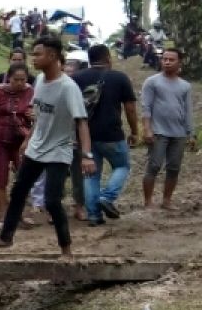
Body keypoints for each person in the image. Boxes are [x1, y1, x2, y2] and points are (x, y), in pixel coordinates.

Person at [0, 36, 95, 255]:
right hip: (36, 147)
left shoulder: (68, 87)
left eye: (37, 54)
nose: (33, 58)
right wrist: (28, 139)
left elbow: (81, 122)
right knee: (18, 192)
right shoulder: (40, 81)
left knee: (52, 201)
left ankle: (66, 250)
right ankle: (6, 238)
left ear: (52, 56)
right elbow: (40, 116)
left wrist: (87, 155)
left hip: (59, 150)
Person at [72, 44, 139, 225]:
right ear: (108, 58)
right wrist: (134, 131)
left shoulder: (76, 78)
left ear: (89, 59)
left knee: (90, 174)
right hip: (112, 133)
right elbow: (130, 109)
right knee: (122, 166)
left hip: (85, 135)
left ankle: (94, 215)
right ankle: (107, 197)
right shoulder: (119, 78)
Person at [0, 63, 35, 225]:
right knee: (0, 179)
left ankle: (19, 213)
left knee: (23, 178)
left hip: (21, 141)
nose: (19, 83)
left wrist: (33, 115)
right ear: (8, 78)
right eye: (15, 79)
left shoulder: (30, 92)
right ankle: (4, 215)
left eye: (22, 80)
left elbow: (37, 113)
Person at [141, 47, 195, 210]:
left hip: (178, 133)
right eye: (164, 59)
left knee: (174, 168)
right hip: (158, 132)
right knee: (154, 166)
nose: (167, 62)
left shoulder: (185, 86)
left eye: (171, 59)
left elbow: (187, 111)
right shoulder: (152, 82)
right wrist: (147, 129)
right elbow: (146, 107)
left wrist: (191, 133)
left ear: (179, 62)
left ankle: (167, 200)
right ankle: (148, 201)